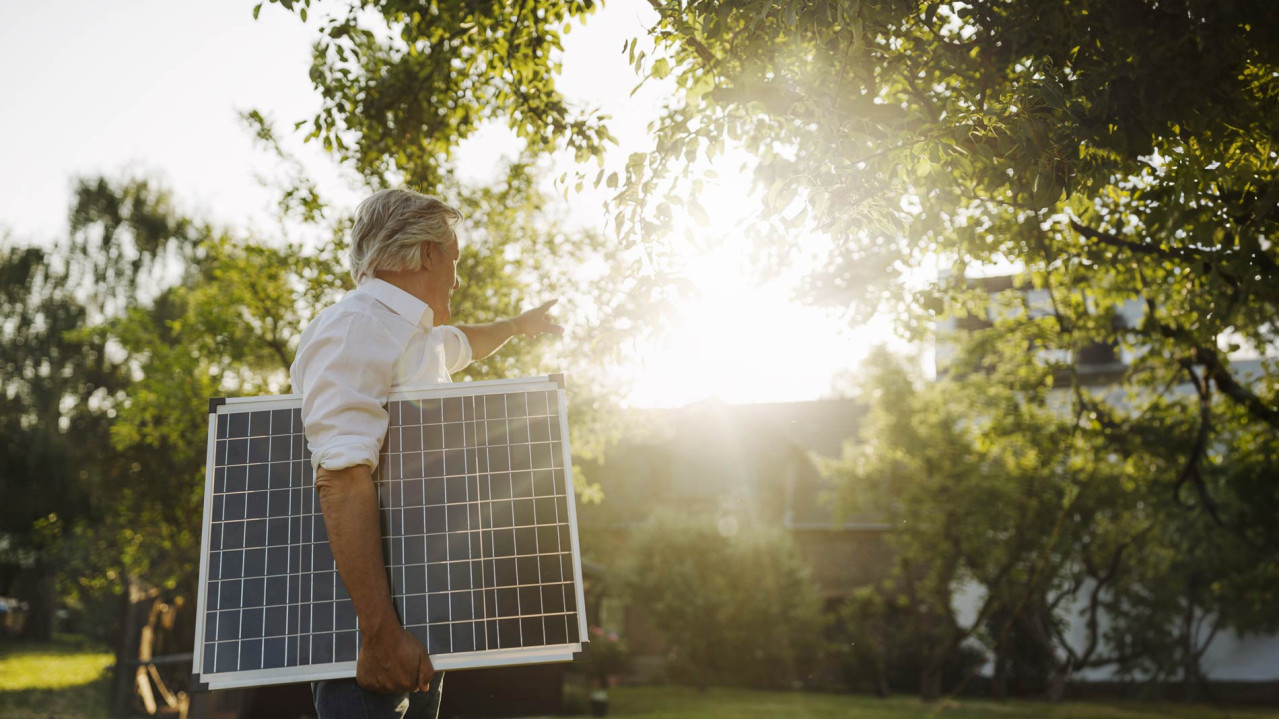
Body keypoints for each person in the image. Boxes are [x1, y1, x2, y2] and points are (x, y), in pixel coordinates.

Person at [289, 188, 563, 719]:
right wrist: (380, 635)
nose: (457, 280)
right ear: (428, 255)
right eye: (454, 261)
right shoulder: (353, 329)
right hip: (367, 633)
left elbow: (465, 342)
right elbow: (341, 478)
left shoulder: (415, 337)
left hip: (416, 624)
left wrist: (517, 326)